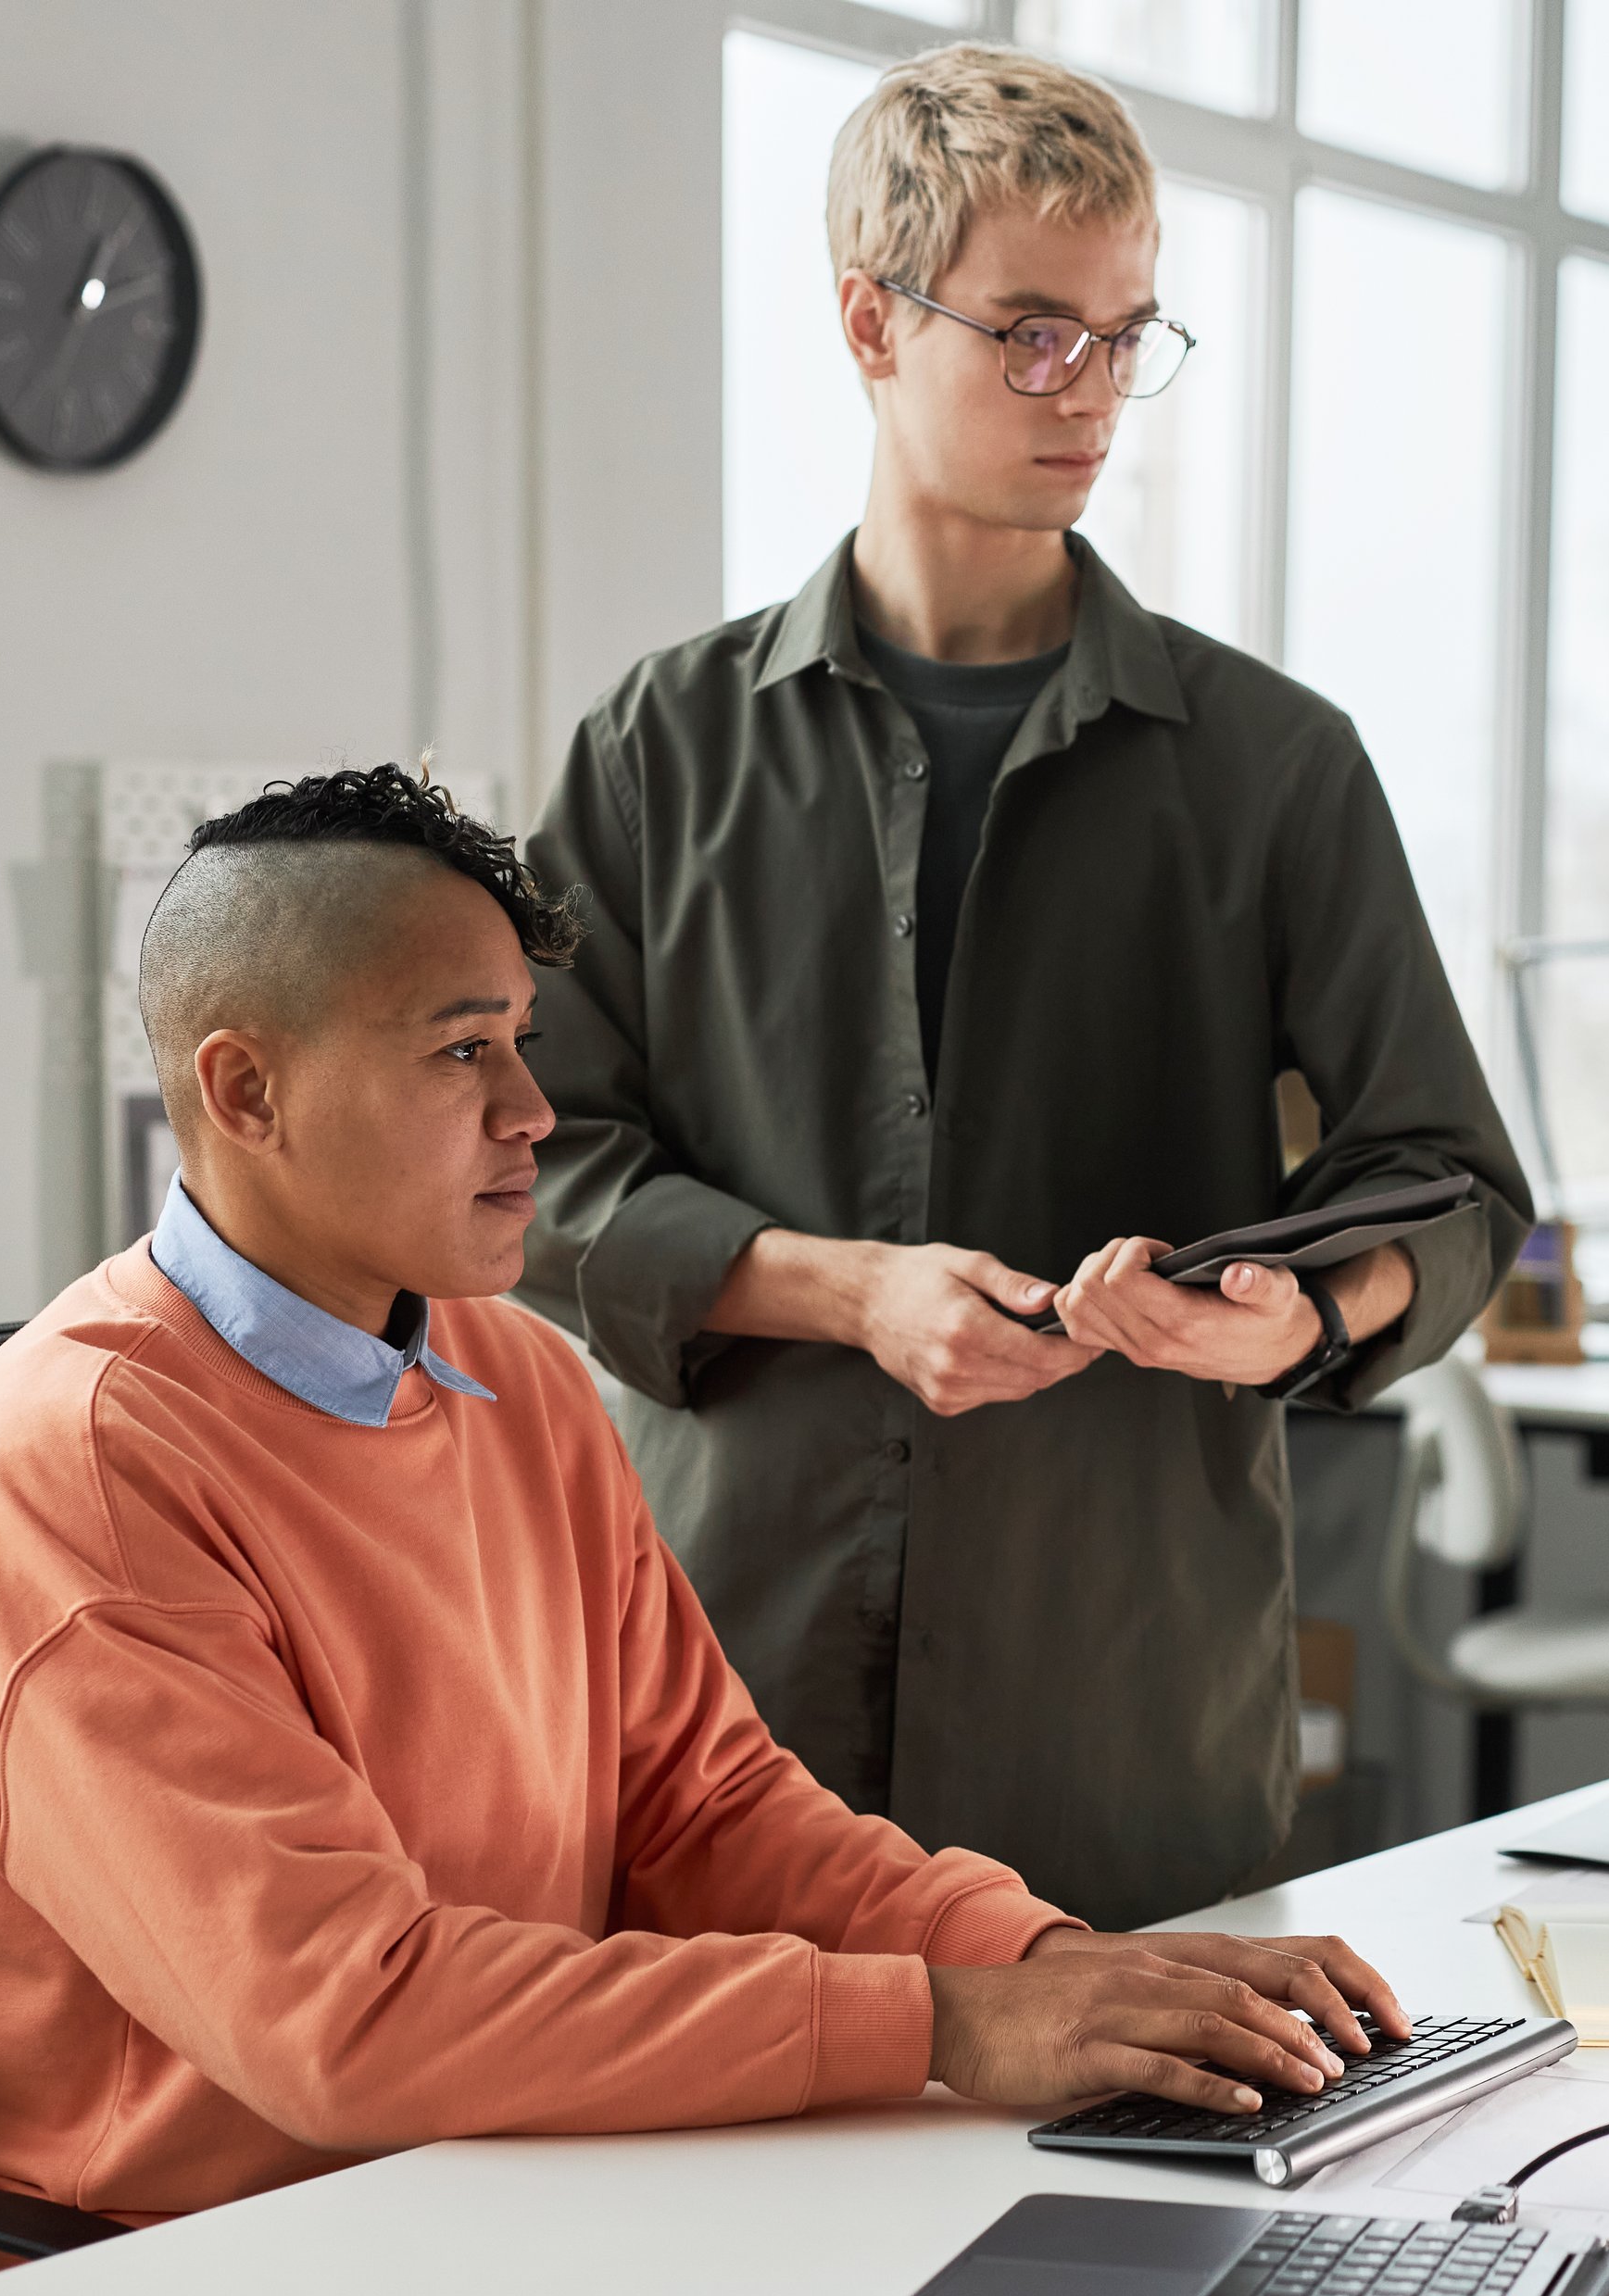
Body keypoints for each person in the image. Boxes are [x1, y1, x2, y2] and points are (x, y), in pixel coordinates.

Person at [0, 769, 1405, 2233]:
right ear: (245, 1089)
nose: (536, 1111)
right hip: (197, 2280)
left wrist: (1049, 1965)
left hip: (512, 2192)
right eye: (462, 1052)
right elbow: (344, 2016)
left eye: (526, 1044)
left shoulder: (514, 1376)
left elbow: (708, 1808)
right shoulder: (77, 1473)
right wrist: (946, 2020)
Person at [519, 43, 1527, 1930]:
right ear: (868, 322)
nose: (1094, 395)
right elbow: (526, 1169)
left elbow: (1451, 1179)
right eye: (1033, 333)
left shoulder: (1273, 765)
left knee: (1155, 2228)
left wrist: (1296, 1314)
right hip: (725, 1705)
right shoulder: (658, 749)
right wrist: (850, 1290)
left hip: (1128, 1726)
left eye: (1129, 334)